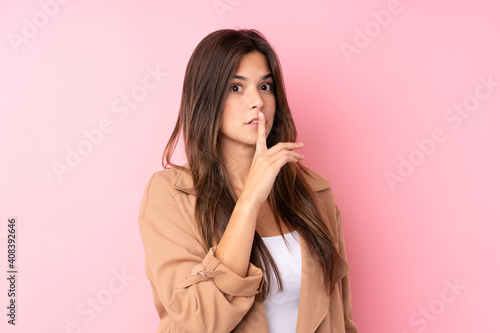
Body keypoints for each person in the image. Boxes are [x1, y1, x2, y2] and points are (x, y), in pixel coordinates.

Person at [138, 28, 358, 333]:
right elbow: (200, 321)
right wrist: (250, 200)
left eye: (265, 86)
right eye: (236, 88)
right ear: (206, 98)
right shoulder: (170, 196)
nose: (257, 101)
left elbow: (342, 319)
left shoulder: (314, 193)